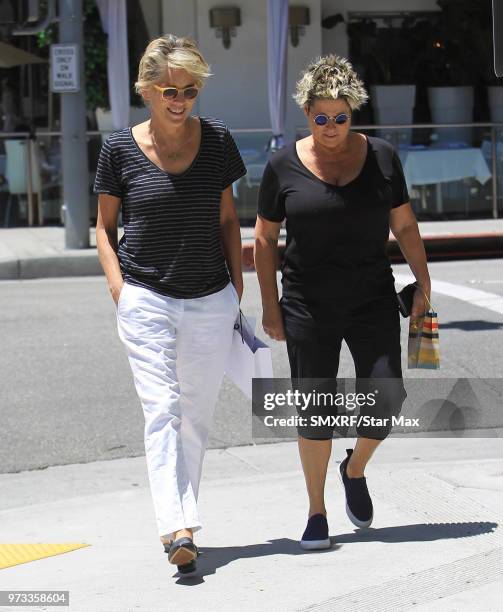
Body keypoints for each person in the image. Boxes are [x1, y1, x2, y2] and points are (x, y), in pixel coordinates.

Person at [254, 55, 431, 550]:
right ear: (306, 113)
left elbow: (405, 224)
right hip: (307, 304)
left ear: (353, 113)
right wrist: (270, 305)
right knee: (316, 410)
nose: (330, 127)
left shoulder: (382, 157)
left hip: (371, 296)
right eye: (320, 117)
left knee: (387, 396)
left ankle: (353, 469)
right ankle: (316, 511)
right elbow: (265, 239)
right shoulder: (283, 165)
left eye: (340, 117)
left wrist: (424, 282)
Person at [94, 35, 246, 574]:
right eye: (168, 90)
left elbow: (229, 220)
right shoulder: (119, 149)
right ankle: (178, 528)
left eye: (189, 90)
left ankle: (182, 521)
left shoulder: (219, 140)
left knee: (196, 419)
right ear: (147, 89)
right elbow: (104, 228)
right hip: (146, 296)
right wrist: (119, 288)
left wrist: (237, 286)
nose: (179, 100)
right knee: (162, 409)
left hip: (209, 296)